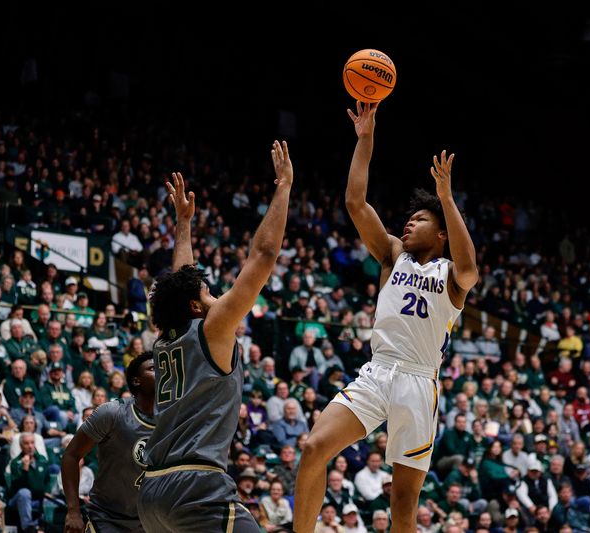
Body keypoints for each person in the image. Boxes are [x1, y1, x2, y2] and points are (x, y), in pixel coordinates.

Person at [294, 102, 478, 533]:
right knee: (314, 446)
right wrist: (365, 138)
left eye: (419, 220)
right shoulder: (393, 255)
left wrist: (447, 199)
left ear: (441, 234)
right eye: (408, 219)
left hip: (418, 382)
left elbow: (470, 268)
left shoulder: (450, 274)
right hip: (377, 372)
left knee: (402, 508)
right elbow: (355, 202)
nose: (408, 224)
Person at [137, 143, 293, 532]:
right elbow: (265, 253)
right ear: (195, 306)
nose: (216, 296)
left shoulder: (166, 337)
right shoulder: (213, 327)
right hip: (196, 485)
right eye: (209, 293)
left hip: (152, 492)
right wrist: (284, 186)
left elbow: (181, 282)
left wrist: (183, 224)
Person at [62, 352, 155, 533]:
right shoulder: (112, 413)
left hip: (150, 521)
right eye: (153, 368)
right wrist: (73, 511)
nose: (162, 371)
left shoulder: (174, 419)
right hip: (107, 518)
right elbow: (71, 456)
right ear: (136, 381)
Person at [6, 433, 50, 533]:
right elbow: (17, 486)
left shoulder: (42, 460)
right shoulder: (16, 463)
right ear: (21, 446)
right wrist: (25, 469)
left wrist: (47, 492)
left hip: (38, 498)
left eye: (32, 443)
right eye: (26, 443)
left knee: (57, 501)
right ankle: (28, 528)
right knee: (24, 493)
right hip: (17, 499)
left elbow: (47, 480)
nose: (30, 446)